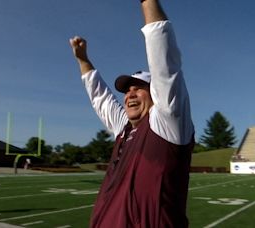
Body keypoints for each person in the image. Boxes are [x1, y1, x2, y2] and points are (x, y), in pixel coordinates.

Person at [69, 0, 195, 227]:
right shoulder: (124, 129)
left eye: (139, 88)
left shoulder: (167, 123)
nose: (130, 94)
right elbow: (101, 98)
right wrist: (83, 60)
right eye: (127, 90)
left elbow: (164, 59)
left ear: (156, 94)